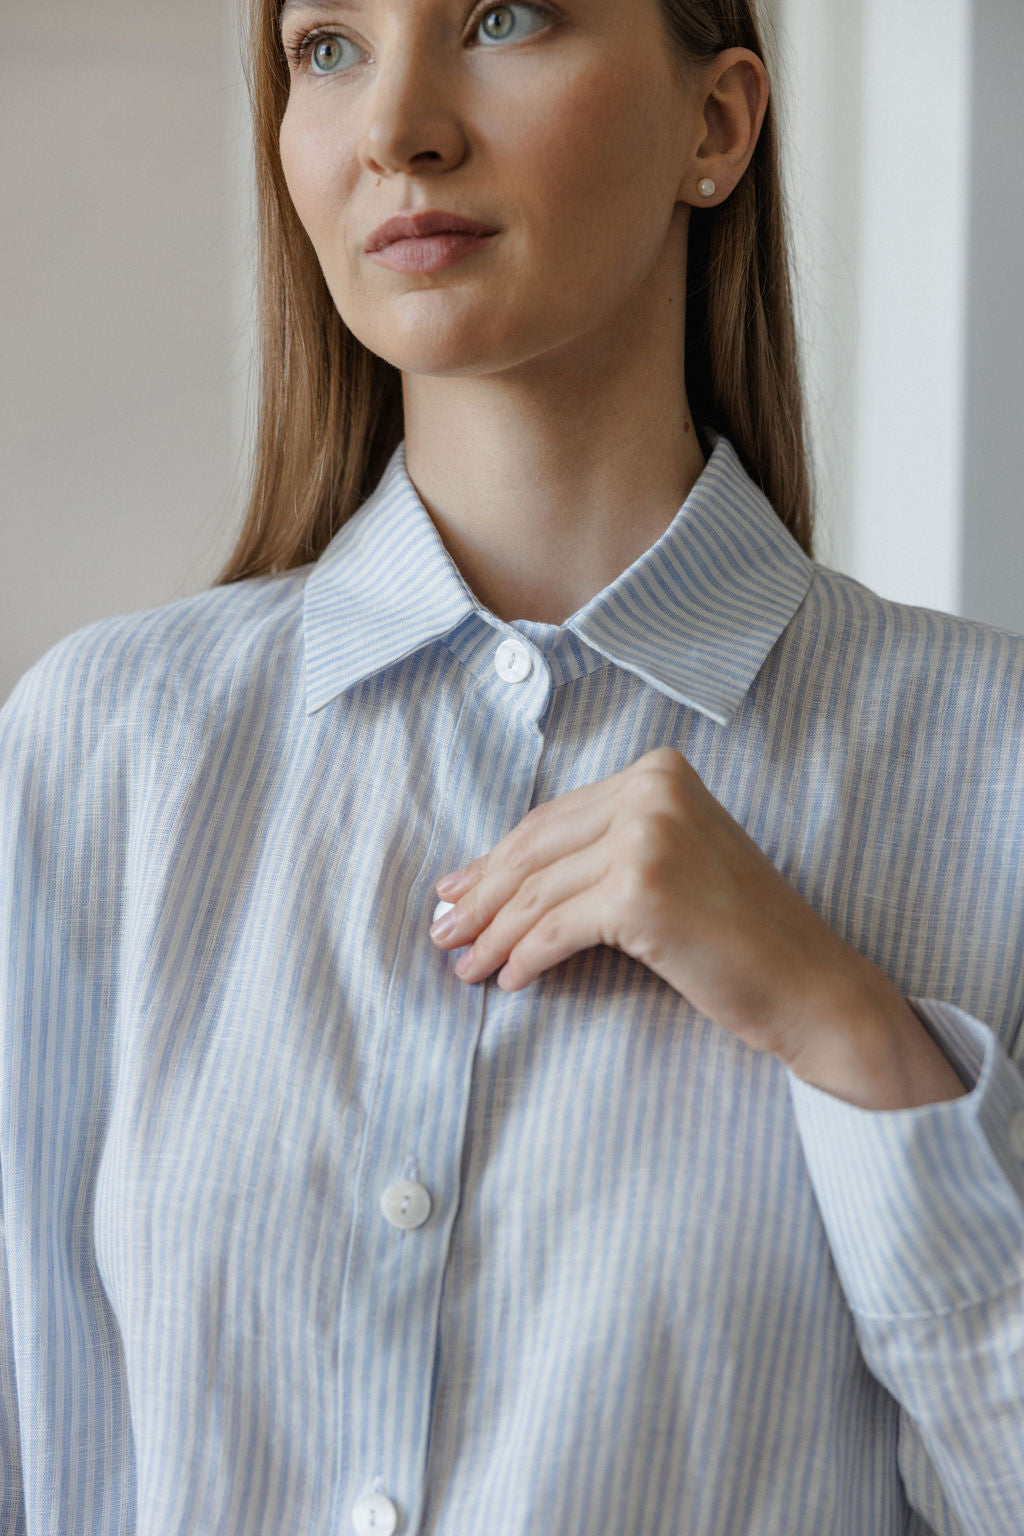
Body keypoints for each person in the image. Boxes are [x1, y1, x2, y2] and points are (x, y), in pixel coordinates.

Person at [1, 0, 1022, 1530]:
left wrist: (849, 1031)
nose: (396, 127)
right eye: (327, 47)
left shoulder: (995, 769)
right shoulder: (102, 749)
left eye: (504, 16)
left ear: (716, 125)